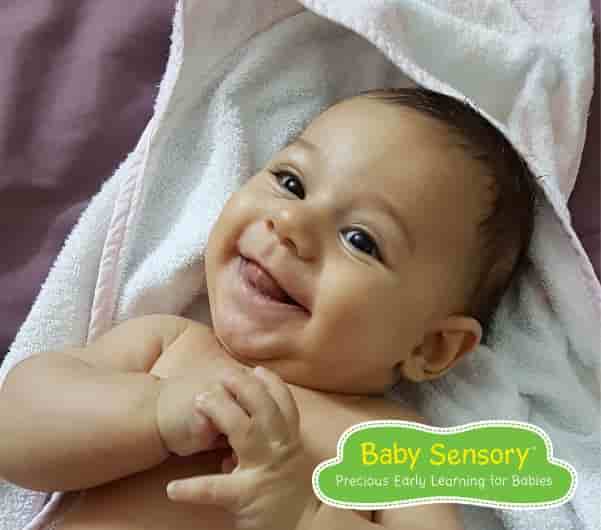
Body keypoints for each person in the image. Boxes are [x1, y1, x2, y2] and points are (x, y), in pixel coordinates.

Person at [0, 87, 536, 530]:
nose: (291, 224)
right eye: (291, 183)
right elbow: (16, 429)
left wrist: (302, 515)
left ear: (431, 347)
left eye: (360, 239)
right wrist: (155, 414)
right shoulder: (169, 344)